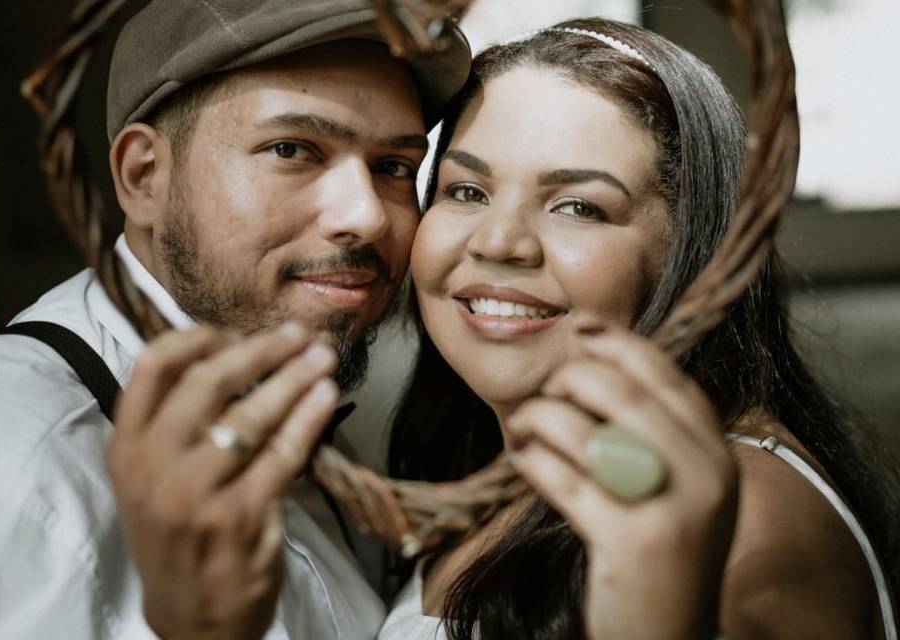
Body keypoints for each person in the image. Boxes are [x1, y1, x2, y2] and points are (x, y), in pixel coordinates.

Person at [0, 1, 469, 638]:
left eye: (393, 168)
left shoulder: (291, 404)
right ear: (143, 177)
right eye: (291, 149)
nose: (369, 216)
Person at [380, 18, 899, 639]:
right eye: (467, 190)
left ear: (691, 254)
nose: (498, 242)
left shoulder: (743, 524)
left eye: (578, 206)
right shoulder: (481, 464)